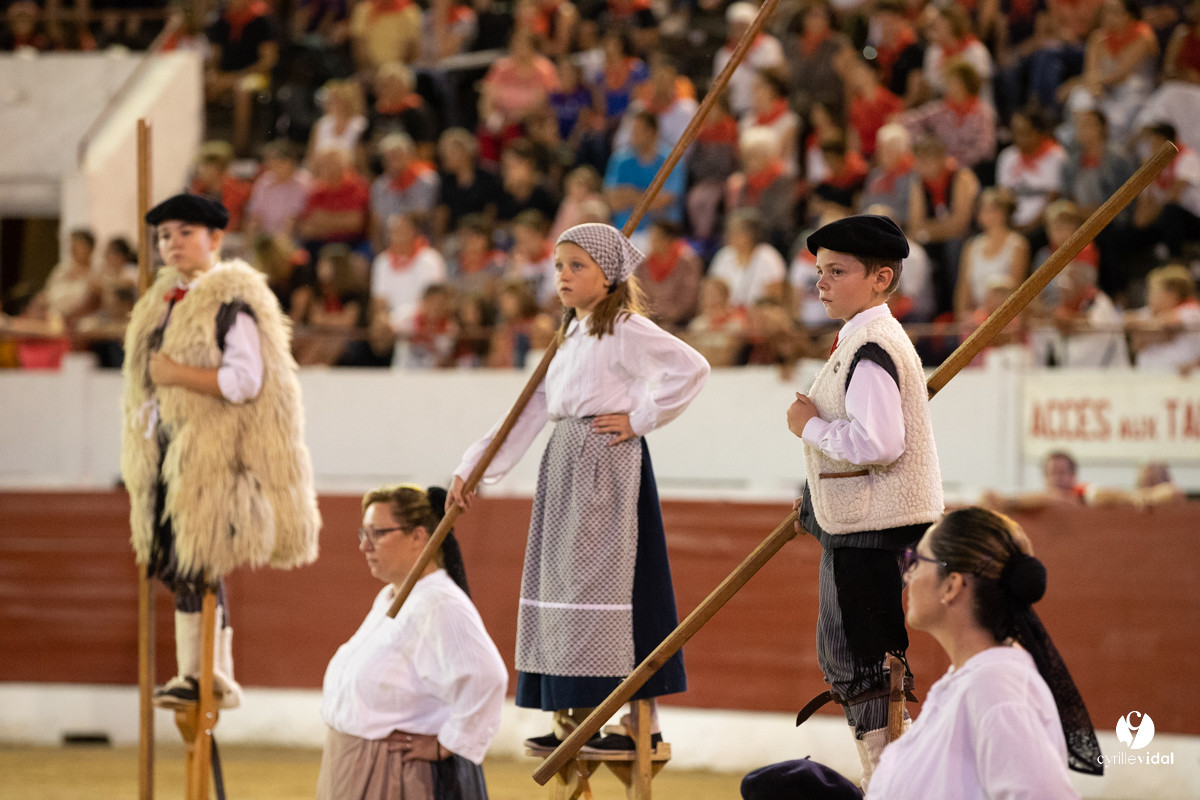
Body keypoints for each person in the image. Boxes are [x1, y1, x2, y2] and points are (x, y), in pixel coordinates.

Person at [447, 223, 709, 753]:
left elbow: (692, 367)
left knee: (613, 585)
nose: (563, 276)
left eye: (577, 266)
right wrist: (473, 467)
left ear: (608, 276)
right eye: (559, 266)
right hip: (564, 464)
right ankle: (573, 716)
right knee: (567, 583)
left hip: (606, 466)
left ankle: (639, 724)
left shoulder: (626, 328)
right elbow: (530, 410)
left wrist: (640, 418)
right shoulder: (569, 334)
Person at [120, 194, 320, 710]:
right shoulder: (165, 302)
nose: (172, 244)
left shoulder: (231, 301)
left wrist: (175, 375)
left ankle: (211, 675)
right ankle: (202, 674)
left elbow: (244, 380)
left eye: (185, 233)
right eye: (164, 236)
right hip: (169, 449)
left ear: (214, 239)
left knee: (199, 560)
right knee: (177, 563)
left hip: (211, 453)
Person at [785, 214, 944, 789]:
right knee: (864, 662)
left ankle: (890, 781)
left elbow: (878, 444)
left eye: (837, 271)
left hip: (874, 530)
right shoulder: (865, 338)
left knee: (865, 665)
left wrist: (808, 427)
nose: (821, 283)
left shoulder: (871, 346)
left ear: (882, 278)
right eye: (820, 271)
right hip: (866, 523)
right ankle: (889, 777)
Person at [867, 507, 1102, 796]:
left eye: (918, 561)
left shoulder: (995, 686)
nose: (909, 574)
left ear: (952, 585)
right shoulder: (974, 678)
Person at [316, 485, 507, 800]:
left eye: (377, 533)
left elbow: (487, 676)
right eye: (363, 533)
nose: (365, 546)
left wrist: (447, 743)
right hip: (353, 765)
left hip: (392, 773)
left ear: (418, 537)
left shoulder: (440, 602)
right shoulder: (393, 596)